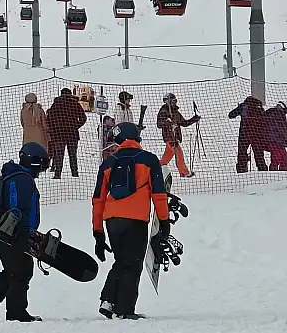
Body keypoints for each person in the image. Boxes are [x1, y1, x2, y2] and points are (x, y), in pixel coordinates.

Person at [91, 123, 169, 320]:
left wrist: (98, 232)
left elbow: (98, 199)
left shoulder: (108, 164)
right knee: (133, 264)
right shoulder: (149, 160)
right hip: (136, 220)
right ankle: (124, 309)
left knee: (122, 260)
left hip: (112, 220)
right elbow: (159, 194)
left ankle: (108, 301)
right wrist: (164, 221)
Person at [0, 143, 48, 323]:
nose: (42, 170)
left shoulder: (12, 176)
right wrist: (26, 233)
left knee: (18, 270)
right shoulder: (23, 179)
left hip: (4, 232)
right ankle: (10, 310)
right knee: (19, 271)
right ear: (33, 162)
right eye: (42, 165)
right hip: (14, 233)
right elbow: (19, 207)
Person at [156, 93, 200, 178]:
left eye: (175, 101)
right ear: (167, 102)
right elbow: (159, 124)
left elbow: (183, 123)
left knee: (167, 156)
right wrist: (167, 122)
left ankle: (158, 167)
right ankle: (185, 172)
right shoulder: (163, 111)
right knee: (179, 154)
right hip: (170, 137)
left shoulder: (176, 112)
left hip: (176, 137)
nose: (175, 103)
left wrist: (194, 118)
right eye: (173, 101)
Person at [46, 88, 86, 178]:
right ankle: (75, 173)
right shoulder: (75, 104)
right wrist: (76, 126)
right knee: (73, 155)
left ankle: (57, 174)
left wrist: (54, 129)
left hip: (59, 134)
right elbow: (83, 118)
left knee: (59, 155)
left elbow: (49, 119)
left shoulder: (56, 105)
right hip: (72, 134)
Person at [228, 96, 269, 174]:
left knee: (242, 152)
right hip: (257, 134)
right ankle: (263, 171)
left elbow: (231, 115)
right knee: (259, 154)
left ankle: (241, 170)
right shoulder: (259, 107)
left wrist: (239, 108)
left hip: (244, 133)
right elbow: (264, 120)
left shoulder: (244, 106)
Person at [265, 102, 287, 172]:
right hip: (276, 141)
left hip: (273, 141)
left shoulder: (271, 113)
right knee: (279, 159)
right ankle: (277, 174)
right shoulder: (279, 115)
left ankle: (280, 173)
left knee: (282, 158)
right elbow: (282, 128)